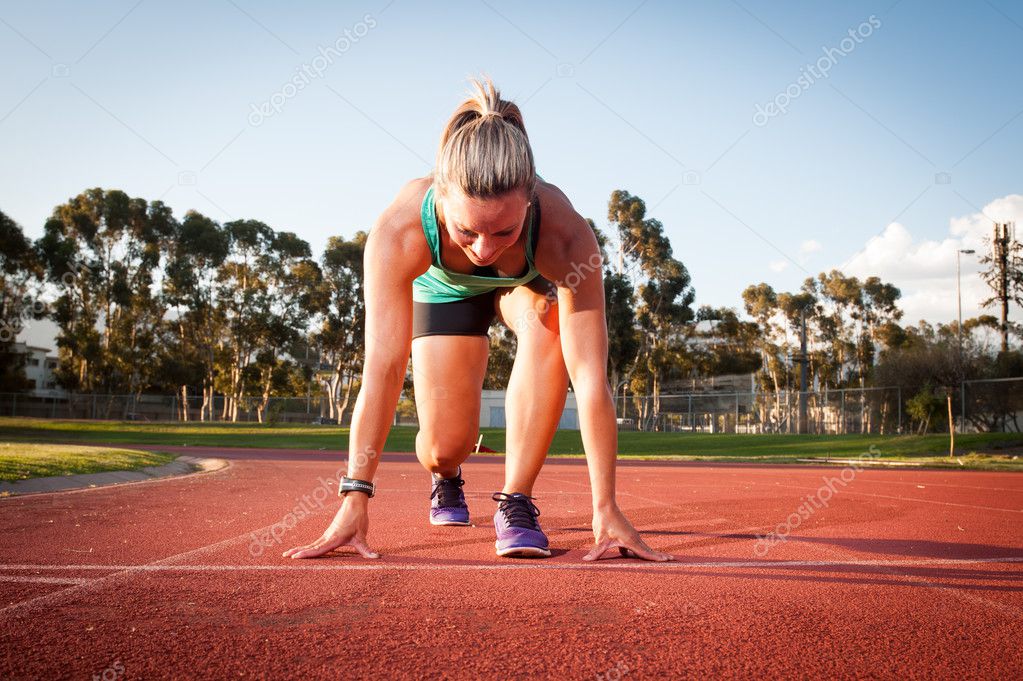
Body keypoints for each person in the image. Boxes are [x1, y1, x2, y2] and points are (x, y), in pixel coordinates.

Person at [284, 77, 672, 562]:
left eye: (505, 230)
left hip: (521, 291)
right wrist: (355, 495)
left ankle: (517, 500)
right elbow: (383, 368)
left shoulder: (567, 237)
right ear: (442, 198)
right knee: (449, 445)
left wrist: (605, 505)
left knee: (550, 318)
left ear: (530, 201)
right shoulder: (399, 230)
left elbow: (590, 377)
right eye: (467, 230)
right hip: (445, 293)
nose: (485, 249)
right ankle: (446, 474)